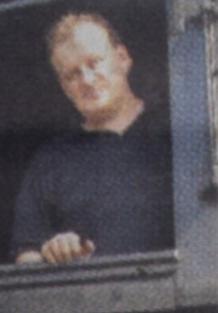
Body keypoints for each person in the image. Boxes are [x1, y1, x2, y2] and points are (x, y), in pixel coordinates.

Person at [12, 12, 173, 265]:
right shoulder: (51, 161)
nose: (86, 80)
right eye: (72, 74)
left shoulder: (176, 132)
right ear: (64, 87)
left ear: (122, 58)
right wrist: (52, 254)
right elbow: (26, 256)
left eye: (94, 63)